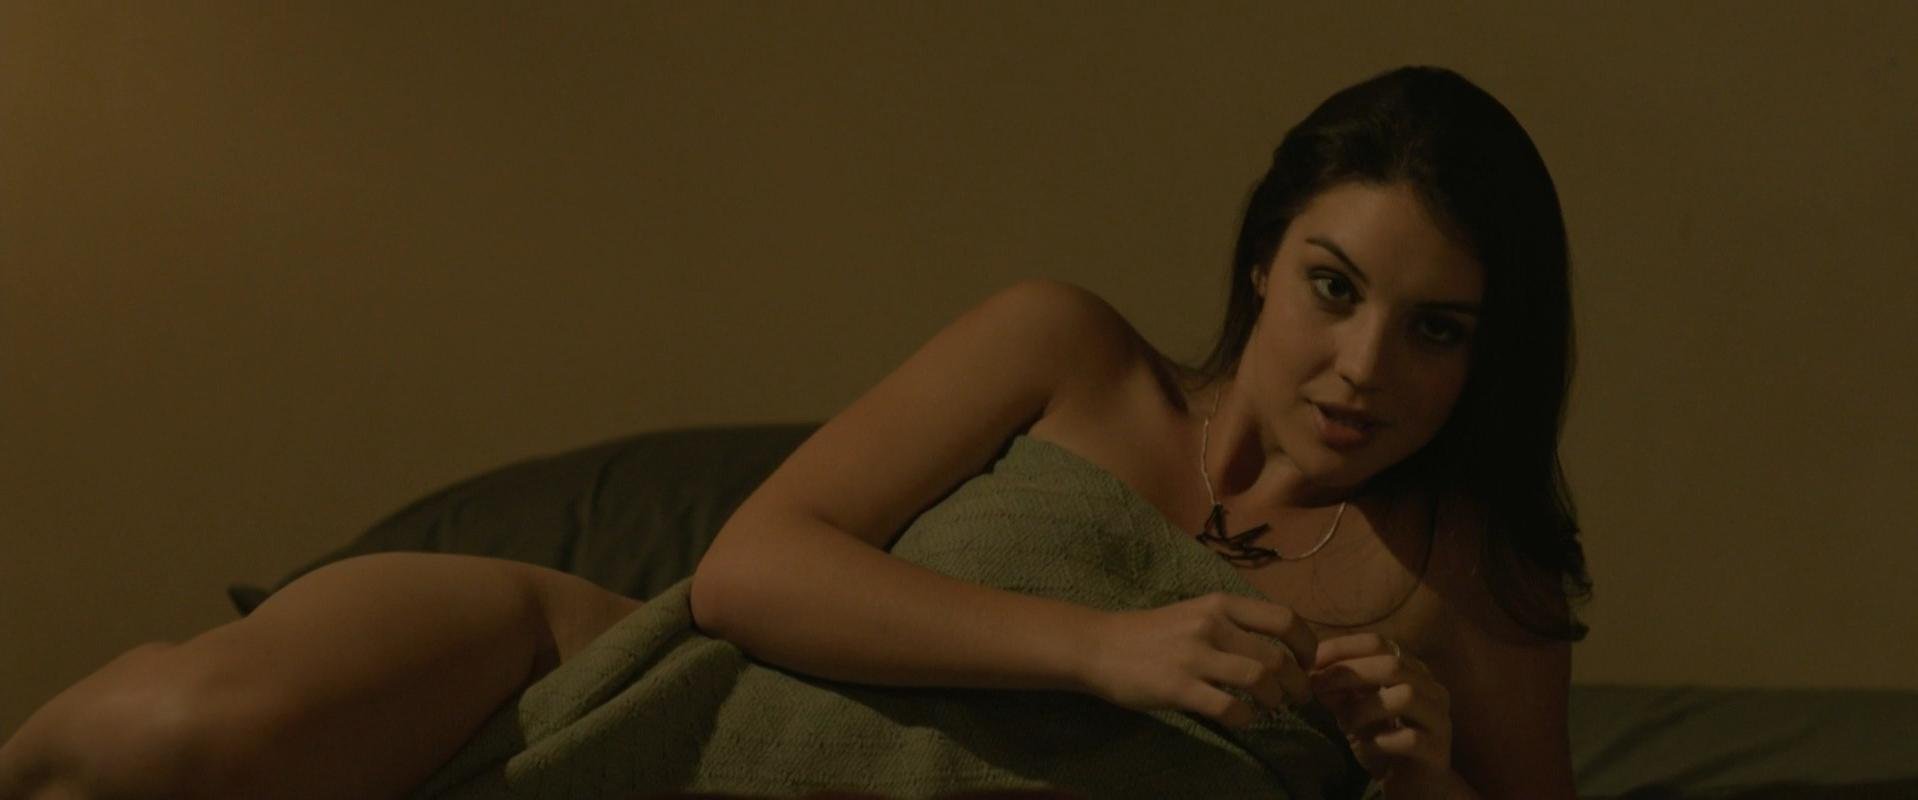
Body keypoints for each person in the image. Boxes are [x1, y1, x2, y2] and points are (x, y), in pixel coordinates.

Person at [0, 64, 1589, 799]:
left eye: (1436, 328)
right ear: (1262, 258)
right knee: (148, 747)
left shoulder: (1470, 581)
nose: (1362, 366)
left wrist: (1428, 781)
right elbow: (750, 571)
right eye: (1332, 286)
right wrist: (1105, 651)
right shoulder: (1066, 350)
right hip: (598, 680)